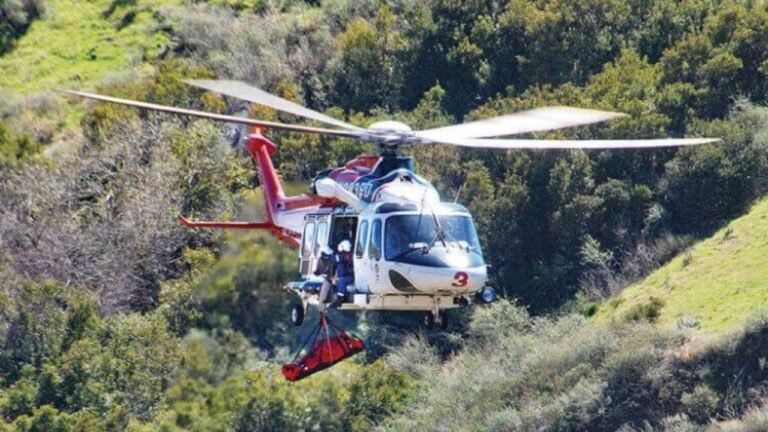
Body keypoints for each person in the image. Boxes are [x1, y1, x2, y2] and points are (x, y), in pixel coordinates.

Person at [330, 240, 354, 308]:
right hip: (346, 276)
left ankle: (340, 299)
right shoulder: (347, 256)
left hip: (350, 277)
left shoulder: (344, 257)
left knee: (341, 281)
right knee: (339, 281)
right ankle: (337, 296)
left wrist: (329, 254)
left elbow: (333, 258)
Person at [314, 245, 335, 310]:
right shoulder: (320, 260)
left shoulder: (332, 261)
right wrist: (316, 273)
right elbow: (319, 270)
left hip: (329, 279)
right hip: (322, 278)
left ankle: (322, 305)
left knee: (325, 289)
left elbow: (331, 273)